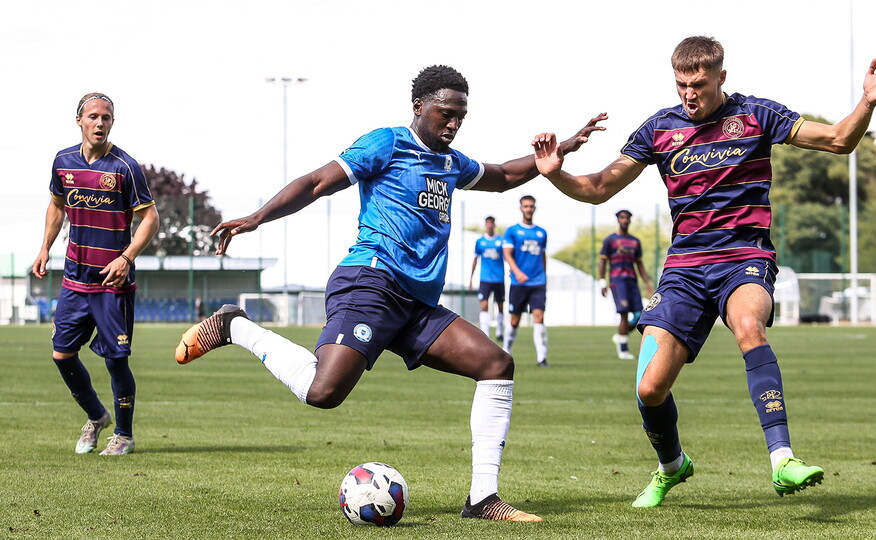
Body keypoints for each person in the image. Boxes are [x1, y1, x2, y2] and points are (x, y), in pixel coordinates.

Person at [175, 65, 604, 521]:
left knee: (496, 365)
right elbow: (317, 182)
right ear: (419, 106)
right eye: (445, 114)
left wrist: (558, 152)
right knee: (324, 393)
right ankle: (235, 326)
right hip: (371, 283)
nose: (454, 124)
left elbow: (501, 176)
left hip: (416, 303)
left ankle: (483, 498)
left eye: (461, 116)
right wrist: (257, 218)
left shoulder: (450, 162)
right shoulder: (387, 143)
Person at [532, 36, 876, 507]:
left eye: (699, 85)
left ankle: (782, 459)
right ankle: (672, 465)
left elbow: (838, 140)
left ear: (721, 78)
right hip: (685, 268)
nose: (689, 94)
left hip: (744, 256)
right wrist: (556, 173)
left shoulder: (756, 115)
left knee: (749, 324)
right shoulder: (659, 128)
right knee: (649, 388)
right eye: (681, 85)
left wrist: (867, 102)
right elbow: (599, 187)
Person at [32, 92, 159, 456]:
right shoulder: (63, 161)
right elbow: (57, 206)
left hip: (112, 283)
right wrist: (44, 248)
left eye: (106, 117)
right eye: (93, 116)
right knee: (62, 355)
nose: (100, 123)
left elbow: (150, 218)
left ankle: (124, 435)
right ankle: (96, 416)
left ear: (112, 123)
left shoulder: (125, 167)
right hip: (75, 278)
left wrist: (126, 258)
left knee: (115, 360)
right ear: (80, 121)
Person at [599, 209, 654, 360]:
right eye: (622, 217)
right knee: (624, 314)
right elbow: (603, 261)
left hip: (632, 281)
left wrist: (647, 283)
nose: (625, 220)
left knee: (639, 315)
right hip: (617, 281)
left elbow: (639, 264)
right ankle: (623, 350)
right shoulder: (610, 240)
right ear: (618, 219)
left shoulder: (635, 241)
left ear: (630, 220)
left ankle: (620, 336)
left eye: (627, 218)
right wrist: (602, 281)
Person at [501, 196, 549, 366]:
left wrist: (544, 275)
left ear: (535, 208)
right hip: (518, 282)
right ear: (521, 208)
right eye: (526, 206)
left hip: (538, 282)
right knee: (515, 320)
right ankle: (506, 351)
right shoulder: (512, 231)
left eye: (531, 206)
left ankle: (542, 358)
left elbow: (543, 255)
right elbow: (507, 254)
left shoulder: (541, 232)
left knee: (539, 317)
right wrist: (517, 272)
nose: (529, 209)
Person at [469, 216, 506, 341]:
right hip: (485, 279)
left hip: (499, 279)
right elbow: (475, 259)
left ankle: (500, 331)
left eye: (491, 223)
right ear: (485, 225)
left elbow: (507, 257)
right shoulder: (480, 241)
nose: (490, 225)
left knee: (500, 305)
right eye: (488, 223)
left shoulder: (501, 241)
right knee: (484, 304)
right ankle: (485, 334)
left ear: (494, 225)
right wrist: (471, 279)